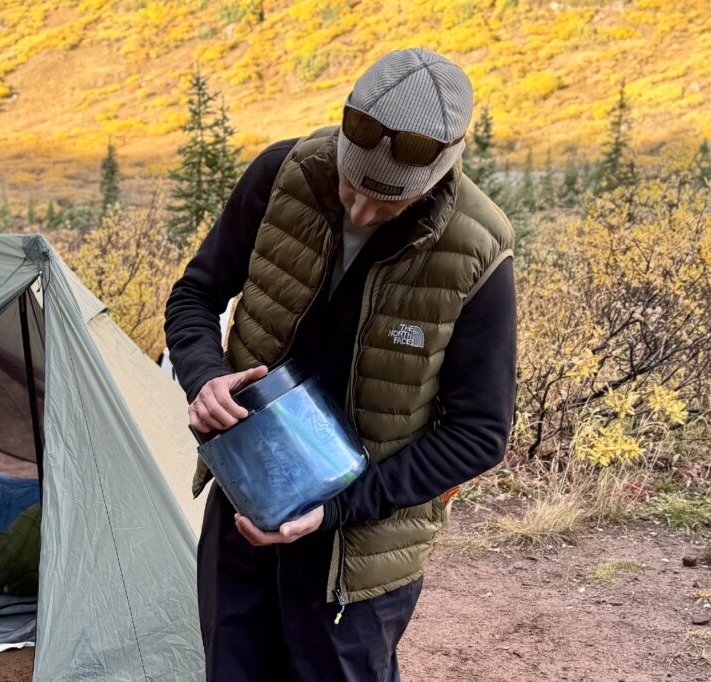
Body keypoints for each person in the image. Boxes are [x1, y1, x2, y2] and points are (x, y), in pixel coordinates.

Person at [164, 47, 517, 681]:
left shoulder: (476, 249)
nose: (359, 214)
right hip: (243, 505)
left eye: (385, 204)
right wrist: (203, 375)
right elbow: (196, 294)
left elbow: (479, 433)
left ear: (439, 172)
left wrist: (336, 510)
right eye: (352, 186)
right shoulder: (283, 173)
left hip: (360, 551)